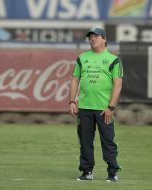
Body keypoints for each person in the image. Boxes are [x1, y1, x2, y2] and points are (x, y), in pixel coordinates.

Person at [69, 28, 123, 182]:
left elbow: (117, 85)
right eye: (90, 37)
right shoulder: (82, 57)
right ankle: (87, 172)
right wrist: (72, 101)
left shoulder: (114, 60)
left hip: (104, 109)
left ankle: (112, 172)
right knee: (85, 142)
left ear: (104, 39)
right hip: (84, 108)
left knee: (108, 141)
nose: (92, 39)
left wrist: (110, 107)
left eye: (96, 36)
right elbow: (74, 80)